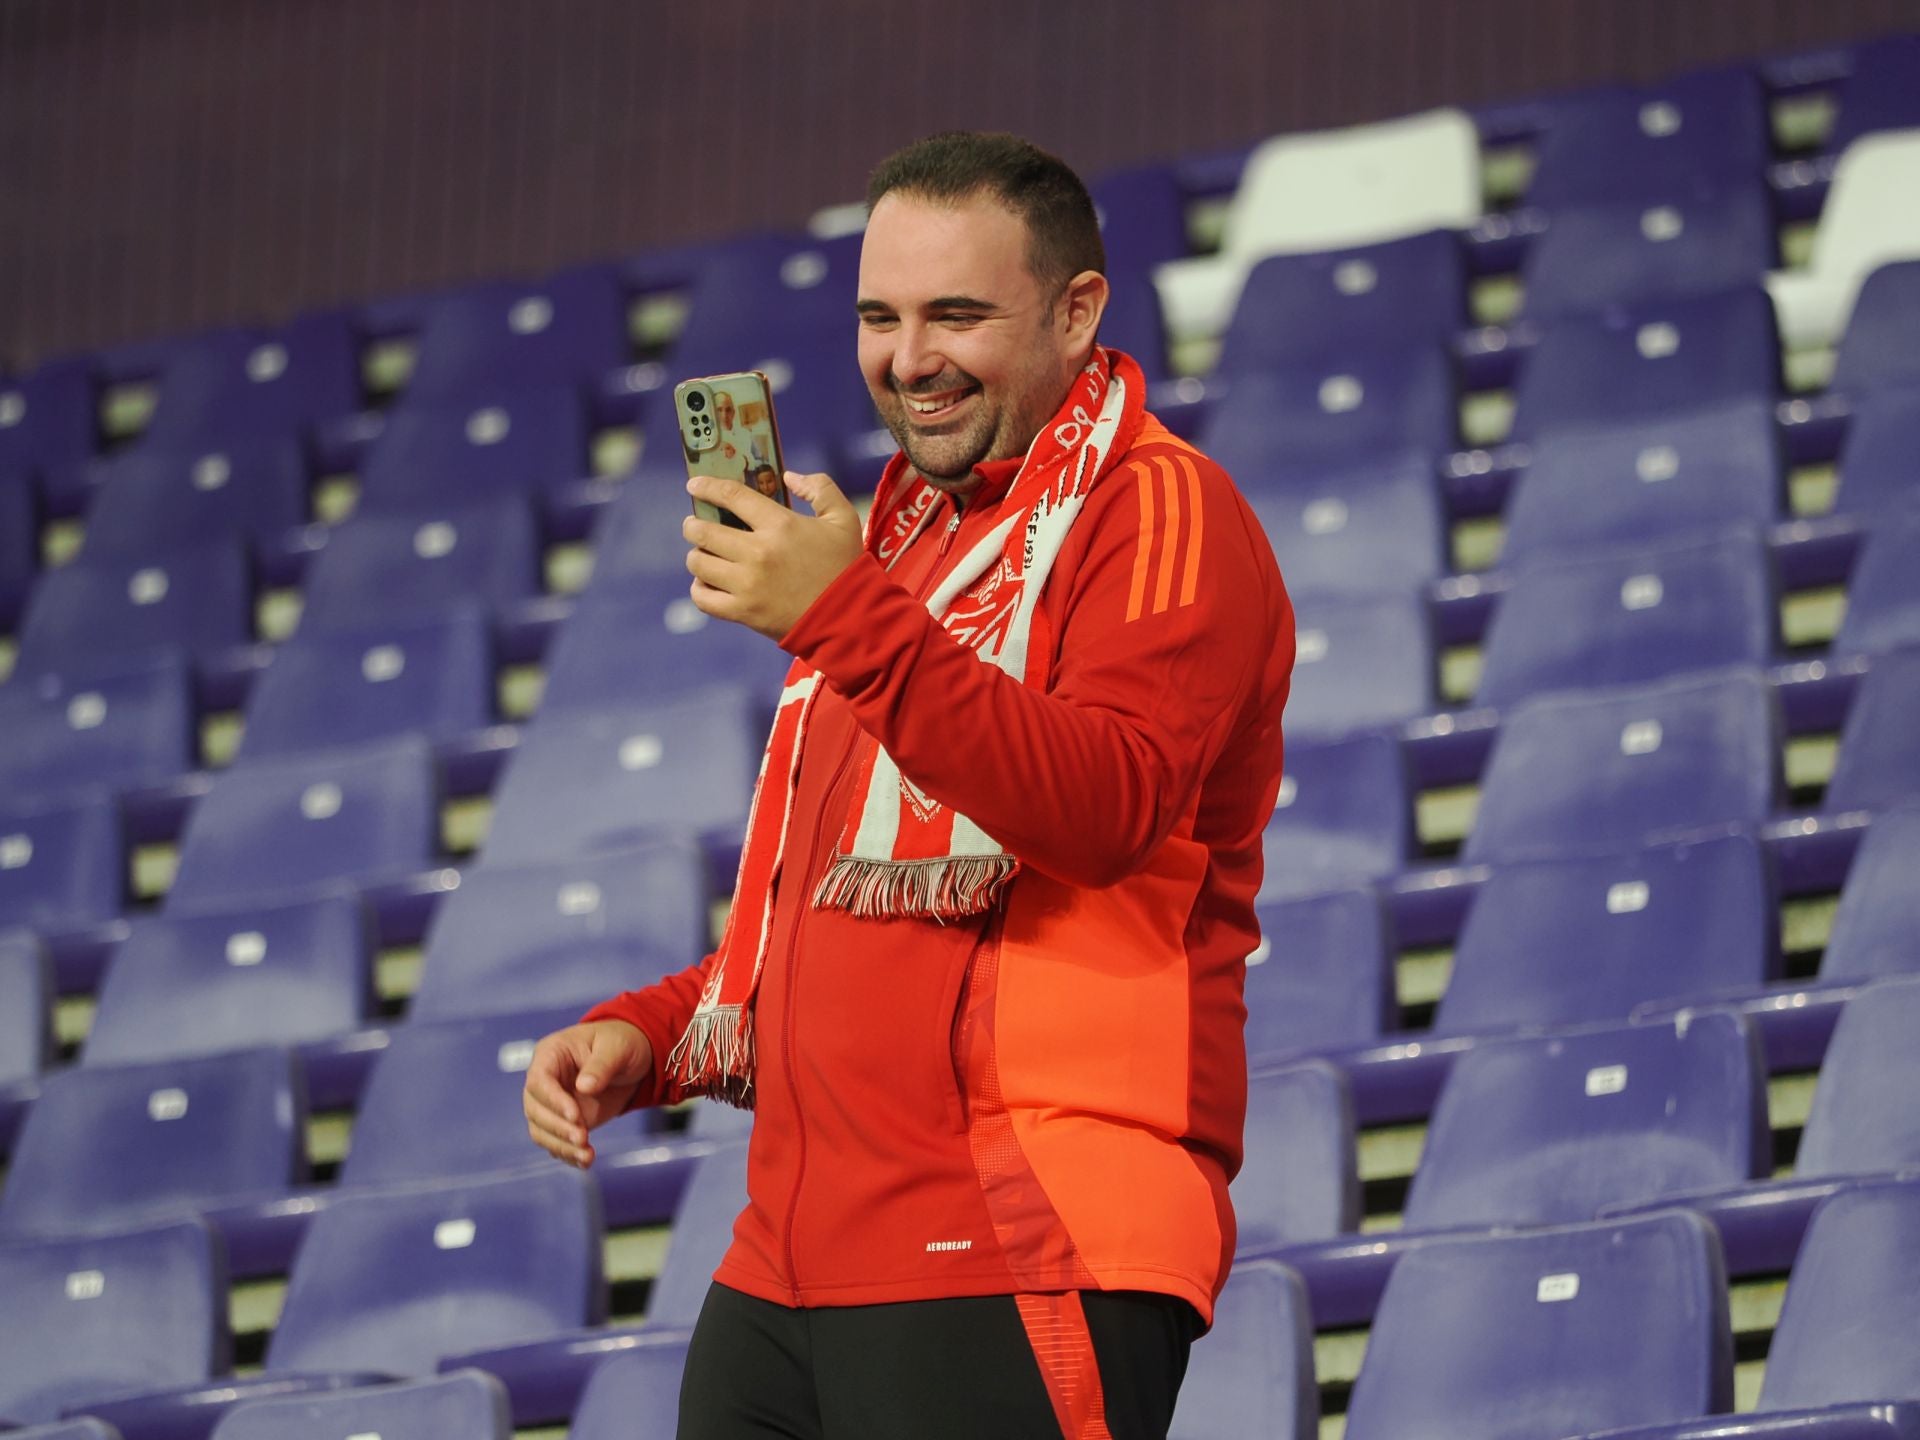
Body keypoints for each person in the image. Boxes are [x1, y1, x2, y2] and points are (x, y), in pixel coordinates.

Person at [525, 131, 1294, 1440]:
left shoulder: (1163, 508)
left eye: (957, 315)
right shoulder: (899, 551)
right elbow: (835, 915)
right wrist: (654, 1033)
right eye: (879, 317)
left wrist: (845, 618)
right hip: (787, 1261)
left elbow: (1107, 807)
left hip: (1024, 1231)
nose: (908, 357)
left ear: (1077, 312)